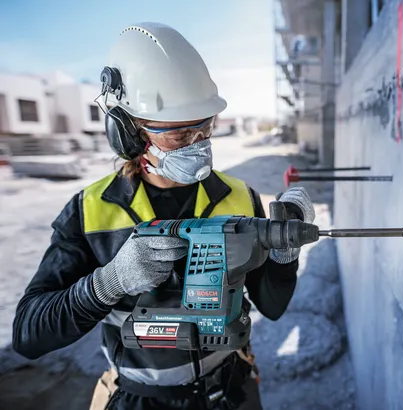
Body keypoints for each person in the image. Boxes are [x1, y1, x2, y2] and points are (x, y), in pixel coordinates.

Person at [11, 22, 315, 410]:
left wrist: (285, 253)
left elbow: (272, 306)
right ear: (130, 132)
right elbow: (29, 334)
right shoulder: (90, 212)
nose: (199, 144)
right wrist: (108, 283)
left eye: (205, 128)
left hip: (231, 390)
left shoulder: (239, 198)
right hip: (142, 400)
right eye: (180, 135)